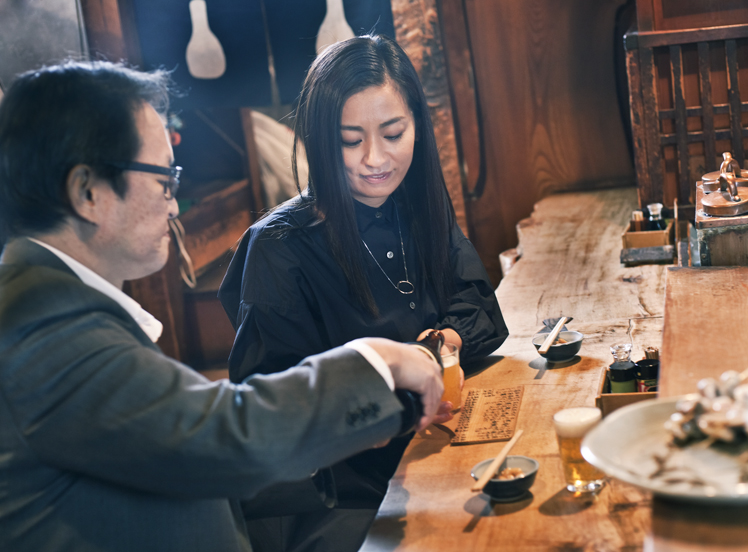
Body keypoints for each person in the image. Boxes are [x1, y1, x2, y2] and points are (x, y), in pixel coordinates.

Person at [0, 60, 446, 552]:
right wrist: (376, 363)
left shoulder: (48, 302)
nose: (174, 206)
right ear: (87, 191)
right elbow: (222, 436)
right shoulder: (41, 323)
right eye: (163, 180)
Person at [219, 35, 508, 551]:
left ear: (418, 124)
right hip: (341, 494)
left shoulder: (416, 204)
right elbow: (269, 408)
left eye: (393, 133)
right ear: (316, 139)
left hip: (431, 453)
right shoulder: (280, 247)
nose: (375, 159)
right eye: (350, 140)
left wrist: (448, 341)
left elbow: (478, 304)